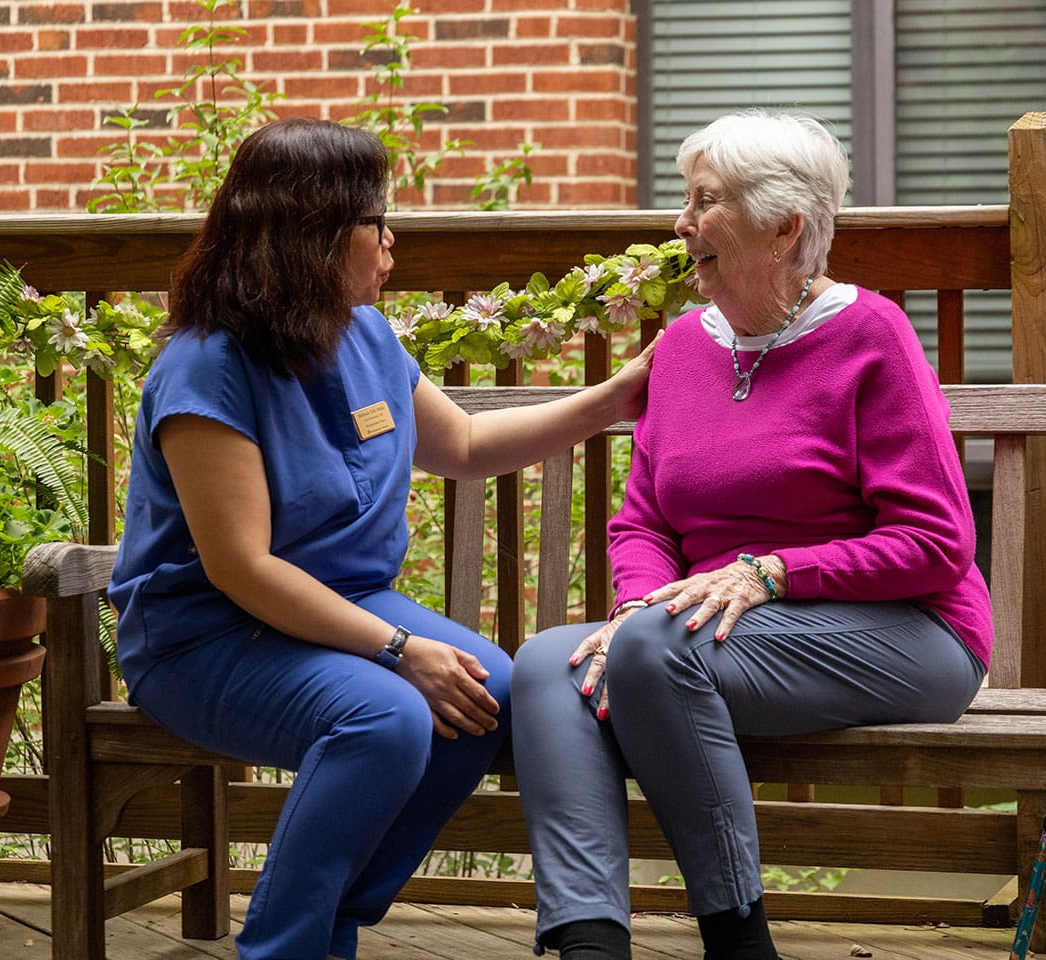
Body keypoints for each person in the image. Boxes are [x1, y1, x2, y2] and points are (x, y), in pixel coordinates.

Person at [107, 116, 658, 960]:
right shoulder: (206, 368)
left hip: (344, 611)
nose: (392, 238)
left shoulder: (362, 333)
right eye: (376, 220)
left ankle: (331, 921)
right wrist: (402, 648)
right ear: (315, 233)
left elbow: (465, 448)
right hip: (207, 636)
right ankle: (284, 946)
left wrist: (612, 399)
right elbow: (241, 568)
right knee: (385, 719)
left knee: (492, 691)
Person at [510, 109, 993, 960]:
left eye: (704, 202)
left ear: (783, 228)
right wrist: (632, 604)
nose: (681, 224)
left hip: (910, 631)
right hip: (710, 633)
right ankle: (589, 945)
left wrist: (772, 572)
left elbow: (935, 542)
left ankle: (738, 938)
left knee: (653, 650)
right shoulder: (686, 348)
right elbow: (644, 519)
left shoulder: (870, 336)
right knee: (551, 662)